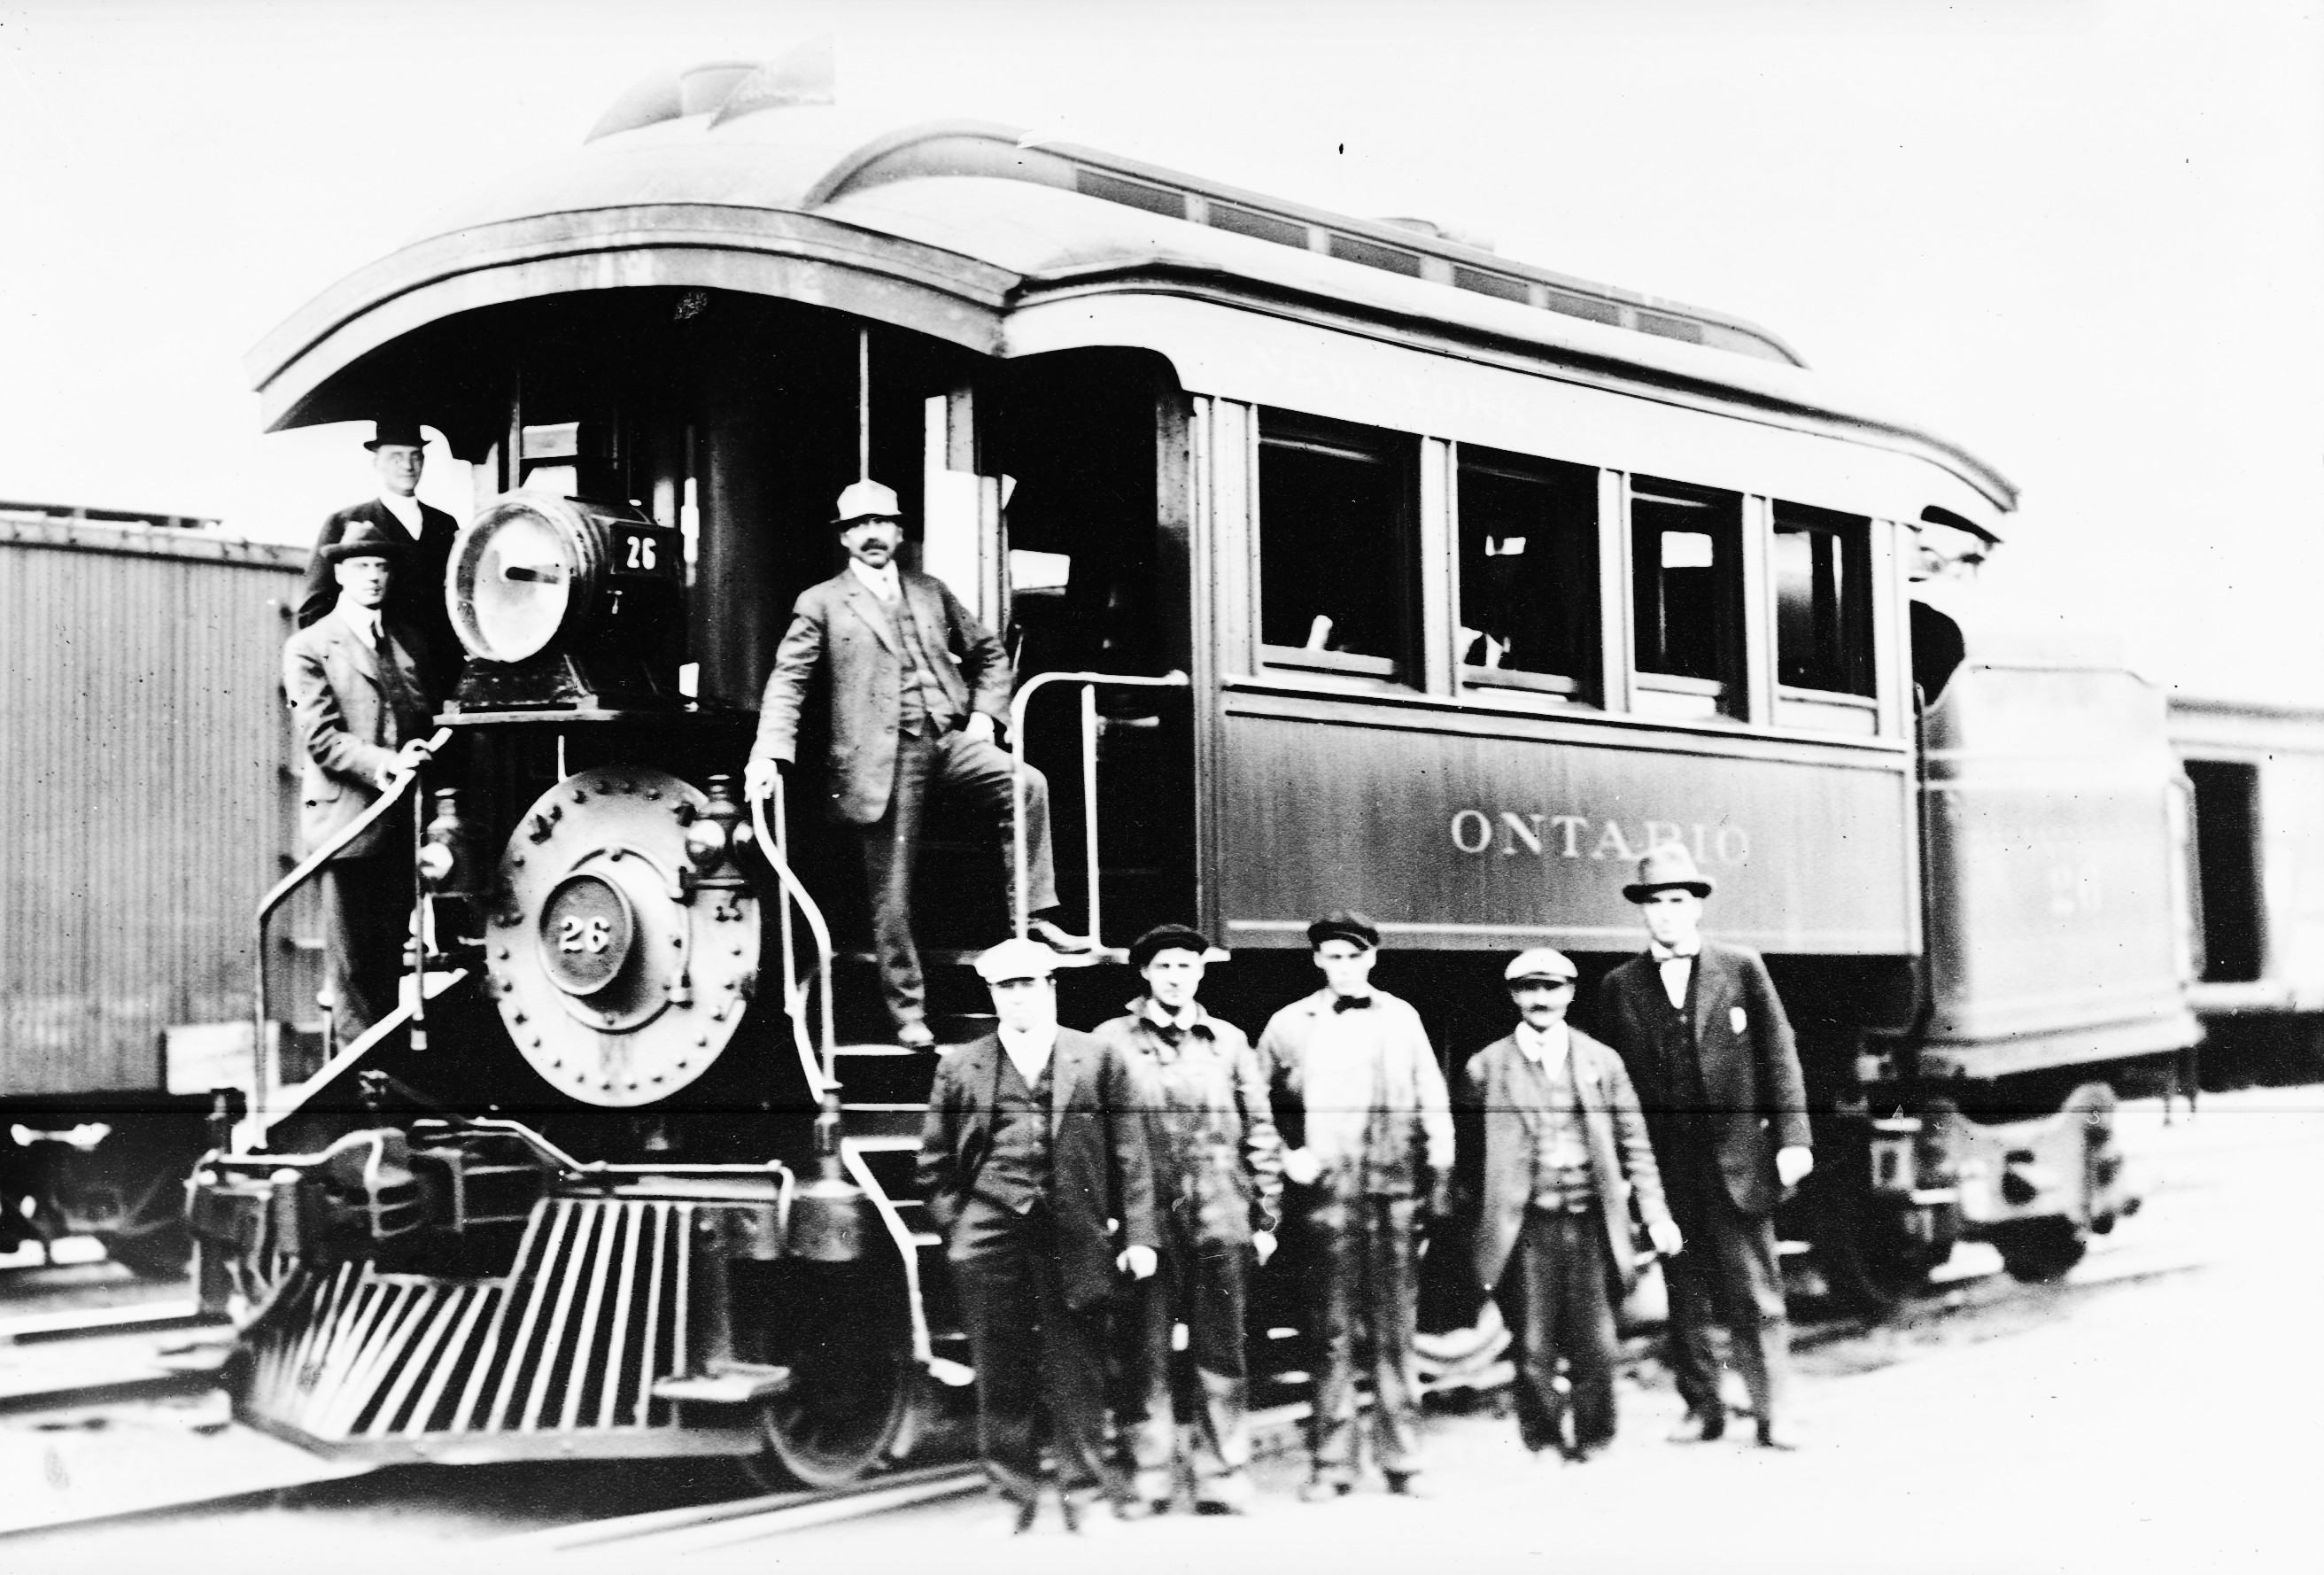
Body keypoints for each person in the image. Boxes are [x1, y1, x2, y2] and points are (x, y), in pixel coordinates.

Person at [744, 479, 1085, 1050]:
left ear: (899, 531)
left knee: (1025, 783)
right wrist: (768, 752)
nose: (871, 533)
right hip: (882, 760)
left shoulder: (930, 591)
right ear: (844, 538)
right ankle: (908, 1011)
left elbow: (988, 653)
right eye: (858, 525)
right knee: (892, 894)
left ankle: (1031, 915)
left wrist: (985, 716)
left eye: (881, 522)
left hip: (946, 739)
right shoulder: (822, 601)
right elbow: (789, 681)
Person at [917, 936, 1158, 1534]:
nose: (1017, 998)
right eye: (1005, 989)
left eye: (1027, 985)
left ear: (1050, 988)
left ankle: (1085, 1496)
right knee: (1000, 1365)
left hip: (1073, 1227)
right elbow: (935, 1160)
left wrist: (1139, 1235)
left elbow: (1132, 1153)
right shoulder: (961, 1064)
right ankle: (1011, 1497)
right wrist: (960, 1229)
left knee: (1079, 1366)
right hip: (989, 1226)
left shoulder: (1098, 1057)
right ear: (992, 995)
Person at [1596, 844, 1814, 1450]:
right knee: (1684, 1294)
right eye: (1655, 903)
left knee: (1755, 1294)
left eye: (1677, 900)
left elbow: (1779, 1057)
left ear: (1696, 907)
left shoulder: (1741, 968)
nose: (1666, 912)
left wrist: (1793, 1138)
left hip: (1739, 1162)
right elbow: (1616, 1087)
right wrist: (1626, 1171)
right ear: (1642, 912)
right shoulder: (1620, 987)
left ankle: (1773, 1412)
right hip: (1669, 1168)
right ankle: (1702, 1407)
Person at [1255, 911, 1454, 1501]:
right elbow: (1253, 1102)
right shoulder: (1289, 1025)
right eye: (1333, 956)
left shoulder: (1403, 1018)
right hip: (1328, 1201)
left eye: (1354, 956)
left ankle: (1404, 1460)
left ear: (1372, 958)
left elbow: (1431, 1095)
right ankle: (1332, 1463)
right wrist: (1287, 1154)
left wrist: (1440, 1172)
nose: (1344, 967)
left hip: (1394, 1195)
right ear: (1318, 960)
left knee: (1396, 1333)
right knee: (1331, 1332)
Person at [1455, 948, 1681, 1462]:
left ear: (1571, 993)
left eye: (1552, 987)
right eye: (1529, 988)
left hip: (1591, 1223)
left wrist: (1654, 1211)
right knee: (1532, 1342)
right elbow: (1470, 1157)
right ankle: (1543, 1440)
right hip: (1527, 1226)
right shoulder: (1485, 1067)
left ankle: (1596, 1438)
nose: (1541, 999)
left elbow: (1635, 1143)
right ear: (1514, 995)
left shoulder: (1603, 1061)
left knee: (1596, 1341)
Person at [1093, 924, 1283, 1517]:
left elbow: (1260, 1131)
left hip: (1221, 1214)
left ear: (1201, 973)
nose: (1177, 977)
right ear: (1145, 974)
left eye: (1187, 966)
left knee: (1221, 1353)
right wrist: (1112, 1221)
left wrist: (1266, 1218)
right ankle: (1148, 1476)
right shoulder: (1111, 1041)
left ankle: (1222, 1476)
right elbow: (1093, 1138)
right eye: (1165, 967)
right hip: (1146, 1221)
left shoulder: (1228, 1041)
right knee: (1142, 1352)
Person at [281, 521, 438, 1044]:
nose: (373, 576)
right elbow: (321, 738)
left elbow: (418, 718)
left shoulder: (408, 641)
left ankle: (382, 1075)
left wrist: (418, 750)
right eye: (362, 566)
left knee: (388, 963)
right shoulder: (309, 647)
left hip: (403, 828)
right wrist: (385, 763)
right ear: (340, 574)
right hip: (349, 825)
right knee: (352, 971)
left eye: (381, 566)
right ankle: (359, 1078)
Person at [298, 422, 461, 692]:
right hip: (377, 670)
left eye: (416, 456)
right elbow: (315, 606)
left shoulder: (444, 524)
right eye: (396, 457)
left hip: (440, 670)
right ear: (376, 463)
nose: (407, 465)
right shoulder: (345, 521)